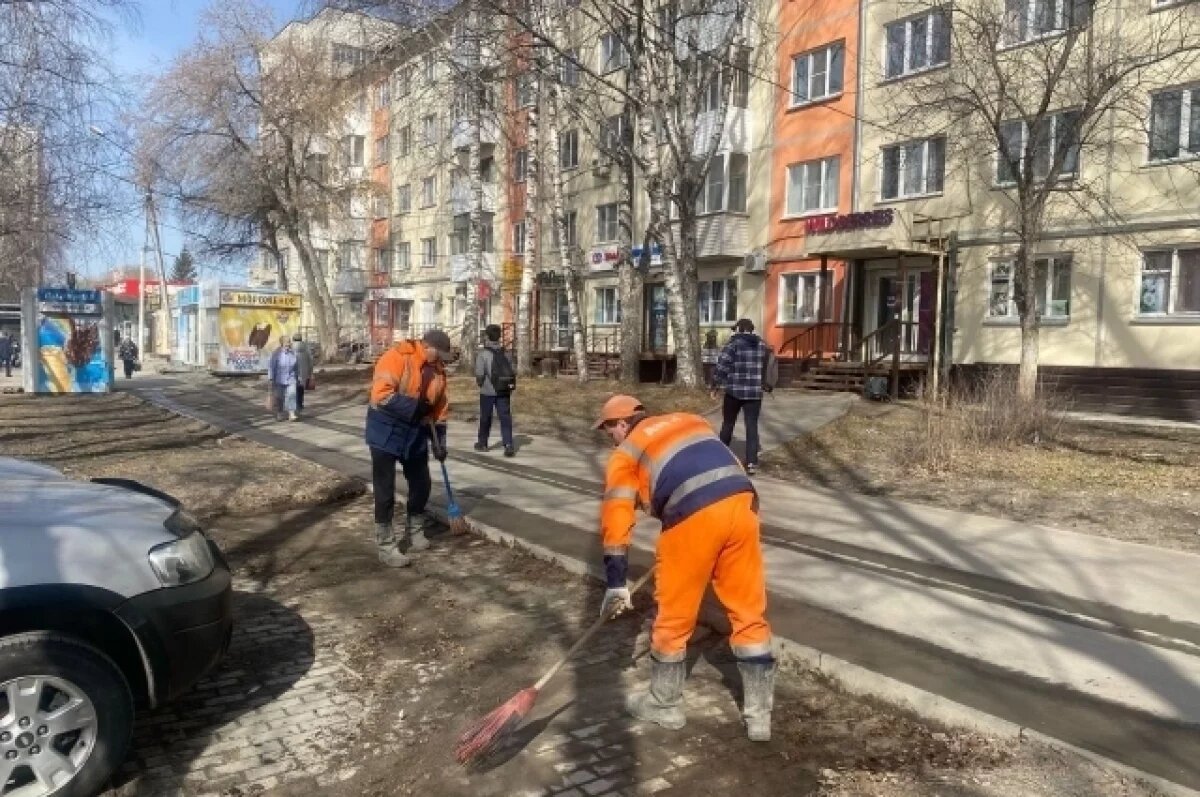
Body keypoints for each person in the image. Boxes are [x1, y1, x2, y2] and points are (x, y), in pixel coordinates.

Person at [594, 394, 775, 742]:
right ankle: (759, 717)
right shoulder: (690, 420)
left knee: (675, 613)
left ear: (620, 424)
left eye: (609, 431)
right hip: (743, 507)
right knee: (748, 610)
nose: (611, 439)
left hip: (694, 518)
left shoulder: (625, 452)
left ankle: (663, 704)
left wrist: (616, 582)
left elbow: (616, 517)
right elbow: (723, 463)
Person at [365, 328, 452, 568]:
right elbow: (381, 395)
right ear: (428, 347)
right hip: (385, 429)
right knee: (385, 490)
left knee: (421, 482)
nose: (441, 361)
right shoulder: (396, 357)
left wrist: (439, 442)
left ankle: (415, 529)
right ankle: (386, 545)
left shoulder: (438, 371)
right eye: (440, 355)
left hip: (414, 432)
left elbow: (440, 408)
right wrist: (416, 407)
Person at [711, 318, 771, 475]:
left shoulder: (733, 345)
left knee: (728, 423)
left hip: (734, 392)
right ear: (751, 330)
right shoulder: (762, 346)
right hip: (754, 394)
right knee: (752, 427)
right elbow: (767, 368)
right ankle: (751, 463)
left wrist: (715, 385)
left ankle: (720, 458)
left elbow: (722, 366)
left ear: (738, 329)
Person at [474, 324, 516, 457]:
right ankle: (508, 444)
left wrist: (481, 384)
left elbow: (480, 373)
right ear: (499, 337)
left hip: (488, 391)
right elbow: (512, 370)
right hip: (503, 390)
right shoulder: (506, 353)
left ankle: (483, 443)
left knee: (486, 417)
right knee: (505, 417)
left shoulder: (483, 354)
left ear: (487, 336)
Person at [266, 335, 298, 422]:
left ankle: (291, 413)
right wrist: (271, 378)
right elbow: (271, 367)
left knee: (292, 395)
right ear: (282, 343)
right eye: (287, 341)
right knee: (280, 398)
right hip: (279, 379)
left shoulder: (293, 353)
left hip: (291, 378)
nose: (289, 343)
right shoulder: (276, 353)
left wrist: (298, 377)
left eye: (289, 341)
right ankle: (280, 412)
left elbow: (296, 366)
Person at [293, 332, 314, 416]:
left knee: (293, 389)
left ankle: (294, 407)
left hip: (293, 371)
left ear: (293, 339)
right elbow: (311, 360)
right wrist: (310, 371)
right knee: (301, 389)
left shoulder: (290, 347)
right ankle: (300, 405)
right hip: (304, 372)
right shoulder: (306, 347)